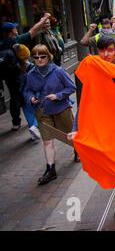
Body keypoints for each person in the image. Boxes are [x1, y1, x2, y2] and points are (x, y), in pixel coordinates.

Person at [69, 34, 115, 219]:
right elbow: (84, 101)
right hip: (107, 127)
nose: (106, 54)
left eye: (110, 50)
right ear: (97, 51)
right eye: (102, 50)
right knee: (113, 164)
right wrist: (76, 127)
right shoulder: (92, 69)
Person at [23, 44, 77, 185]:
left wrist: (58, 95)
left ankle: (78, 151)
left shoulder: (58, 71)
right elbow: (27, 91)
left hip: (61, 109)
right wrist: (30, 98)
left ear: (48, 56)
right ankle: (50, 169)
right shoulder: (31, 74)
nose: (39, 59)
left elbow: (72, 87)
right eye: (36, 57)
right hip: (43, 111)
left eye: (42, 56)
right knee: (47, 141)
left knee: (70, 135)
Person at [1, 13, 50, 130]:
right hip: (20, 74)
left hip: (8, 76)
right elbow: (33, 30)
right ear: (11, 32)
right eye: (14, 28)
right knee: (28, 96)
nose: (16, 30)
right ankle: (34, 124)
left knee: (14, 96)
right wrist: (44, 19)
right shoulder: (15, 40)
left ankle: (16, 122)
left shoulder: (1, 44)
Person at [13, 44, 41, 140]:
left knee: (28, 112)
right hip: (32, 92)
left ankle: (32, 130)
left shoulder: (15, 67)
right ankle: (35, 126)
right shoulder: (32, 66)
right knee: (37, 111)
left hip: (22, 94)